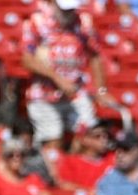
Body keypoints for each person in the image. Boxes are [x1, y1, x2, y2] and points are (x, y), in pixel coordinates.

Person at [20, 0, 115, 153]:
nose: (69, 14)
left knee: (89, 138)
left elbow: (95, 55)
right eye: (65, 10)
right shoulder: (37, 22)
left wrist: (101, 90)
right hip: (44, 94)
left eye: (71, 10)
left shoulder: (83, 23)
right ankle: (54, 174)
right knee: (53, 141)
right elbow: (27, 59)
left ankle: (74, 172)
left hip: (75, 92)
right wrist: (57, 78)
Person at [57, 120, 116, 190]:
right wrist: (89, 191)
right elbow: (65, 185)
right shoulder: (70, 161)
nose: (104, 140)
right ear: (84, 140)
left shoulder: (113, 158)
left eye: (106, 136)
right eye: (97, 136)